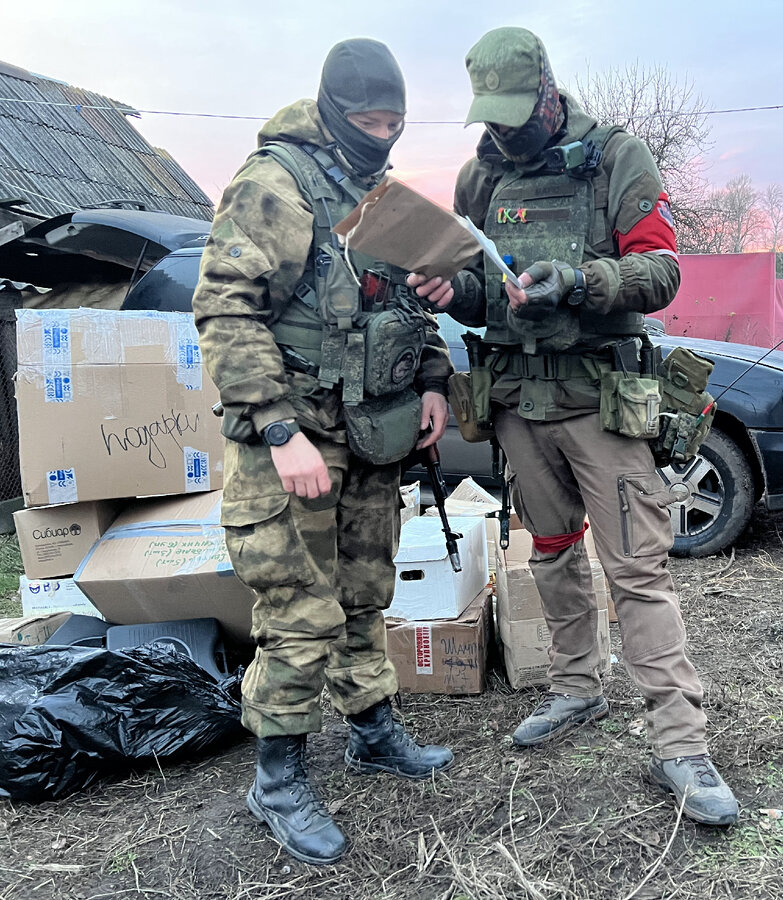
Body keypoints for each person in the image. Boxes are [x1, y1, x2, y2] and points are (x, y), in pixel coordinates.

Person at [409, 26, 739, 827]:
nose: (504, 132)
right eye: (491, 117)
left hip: (600, 402)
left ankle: (680, 744)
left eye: (518, 114)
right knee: (552, 555)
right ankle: (575, 688)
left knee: (636, 571)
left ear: (550, 92)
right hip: (520, 403)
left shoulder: (615, 157)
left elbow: (661, 270)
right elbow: (481, 287)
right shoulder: (478, 176)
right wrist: (459, 296)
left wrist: (583, 281)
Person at [193, 38, 455, 866]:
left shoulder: (378, 192)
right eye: (370, 119)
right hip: (296, 440)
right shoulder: (274, 182)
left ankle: (372, 732)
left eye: (396, 121)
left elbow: (420, 298)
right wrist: (278, 428)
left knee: (364, 594)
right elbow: (225, 311)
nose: (384, 133)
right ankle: (276, 782)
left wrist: (438, 378)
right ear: (335, 108)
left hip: (371, 435)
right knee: (299, 616)